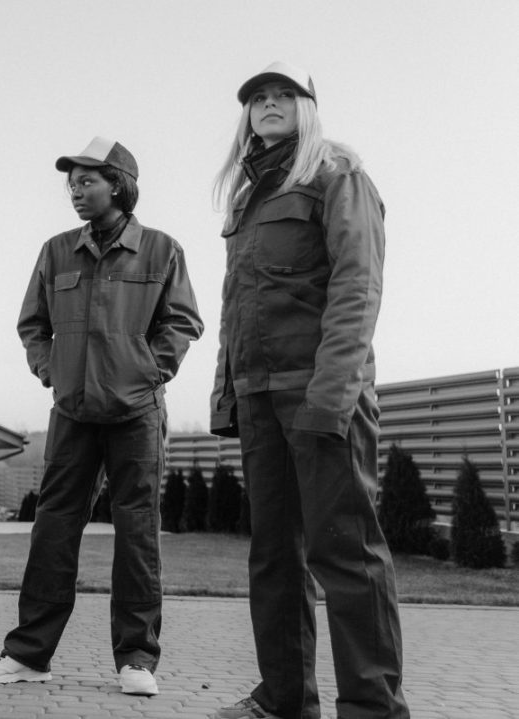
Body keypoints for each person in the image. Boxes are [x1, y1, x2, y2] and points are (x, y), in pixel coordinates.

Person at [207, 62, 409, 719]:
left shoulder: (337, 175)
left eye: (281, 96)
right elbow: (236, 301)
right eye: (257, 99)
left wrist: (332, 395)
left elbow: (359, 287)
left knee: (345, 554)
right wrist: (228, 393)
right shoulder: (247, 197)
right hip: (260, 397)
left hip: (322, 395)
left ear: (307, 107)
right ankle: (285, 700)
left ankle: (373, 708)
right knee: (273, 558)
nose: (267, 104)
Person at [0, 137, 203, 696]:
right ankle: (29, 654)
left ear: (118, 184)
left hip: (136, 414)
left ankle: (136, 660)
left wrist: (148, 370)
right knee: (53, 530)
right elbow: (33, 324)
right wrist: (53, 370)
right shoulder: (55, 252)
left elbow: (183, 322)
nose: (75, 191)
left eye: (86, 181)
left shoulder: (160, 249)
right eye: (71, 183)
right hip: (72, 413)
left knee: (137, 535)